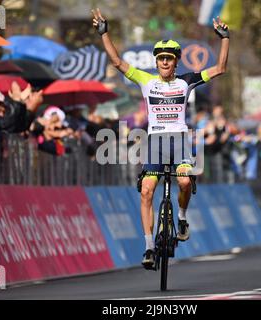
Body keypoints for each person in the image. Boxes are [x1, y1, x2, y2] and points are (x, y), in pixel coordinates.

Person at [92, 8, 230, 269]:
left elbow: (221, 68)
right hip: (155, 141)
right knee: (146, 191)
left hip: (178, 140)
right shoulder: (146, 81)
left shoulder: (186, 81)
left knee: (186, 182)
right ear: (155, 63)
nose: (165, 62)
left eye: (169, 59)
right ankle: (147, 247)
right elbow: (118, 63)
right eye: (161, 59)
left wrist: (225, 39)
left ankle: (182, 216)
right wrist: (105, 34)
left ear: (176, 62)